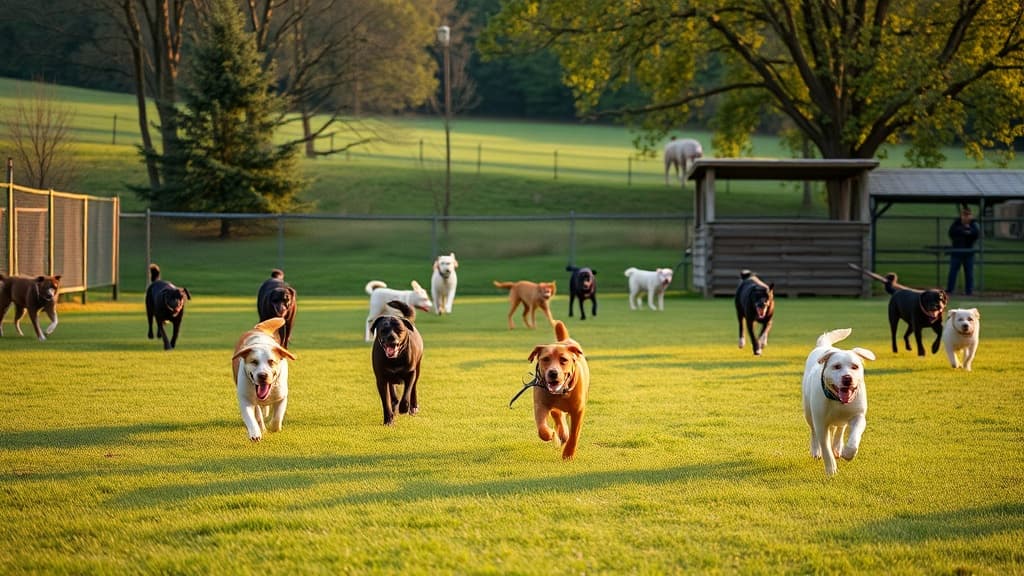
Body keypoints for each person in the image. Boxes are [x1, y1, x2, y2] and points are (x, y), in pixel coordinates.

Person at [946, 205, 980, 295]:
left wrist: (968, 231)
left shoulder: (974, 224)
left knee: (969, 273)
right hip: (956, 252)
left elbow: (975, 234)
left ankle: (969, 291)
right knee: (953, 271)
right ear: (961, 215)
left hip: (968, 253)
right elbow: (952, 232)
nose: (966, 217)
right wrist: (964, 230)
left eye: (968, 215)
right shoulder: (956, 223)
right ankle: (950, 290)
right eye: (964, 215)